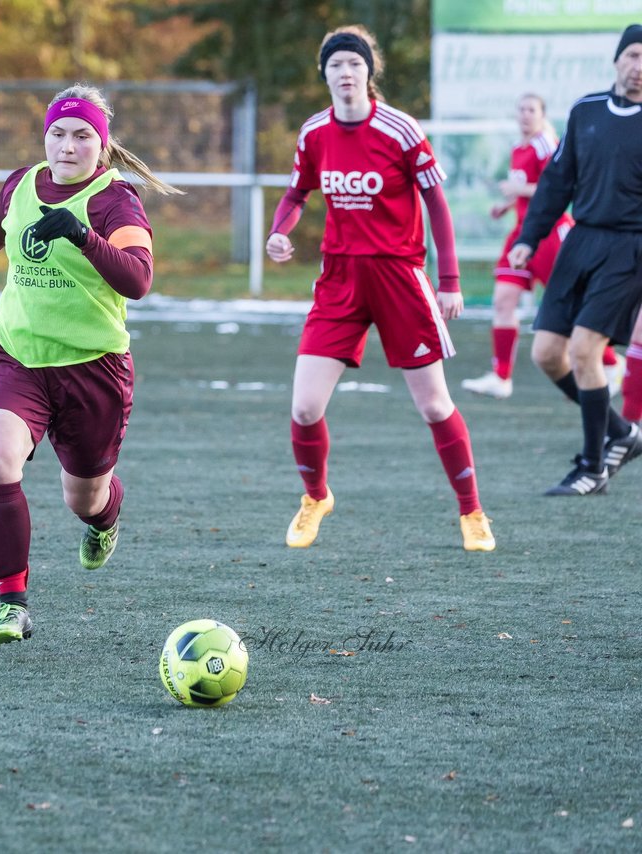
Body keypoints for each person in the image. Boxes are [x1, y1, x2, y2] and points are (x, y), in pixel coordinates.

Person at [0, 84, 180, 647]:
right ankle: (12, 603)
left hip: (93, 370)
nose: (67, 145)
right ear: (44, 136)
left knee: (84, 497)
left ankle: (104, 519)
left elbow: (138, 279)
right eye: (58, 133)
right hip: (18, 356)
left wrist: (81, 235)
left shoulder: (114, 201)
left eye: (82, 136)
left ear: (101, 147)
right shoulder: (23, 183)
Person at [265, 25, 495, 552]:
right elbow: (297, 193)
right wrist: (280, 231)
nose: (346, 74)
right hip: (339, 280)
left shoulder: (400, 129)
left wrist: (450, 280)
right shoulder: (314, 133)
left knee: (435, 405)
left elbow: (437, 204)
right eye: (336, 66)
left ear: (369, 73)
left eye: (355, 65)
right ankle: (315, 497)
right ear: (323, 74)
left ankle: (472, 511)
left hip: (400, 279)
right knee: (304, 408)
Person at [507, 24, 642, 495]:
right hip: (580, 242)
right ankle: (622, 433)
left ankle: (592, 468)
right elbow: (556, 182)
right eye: (633, 56)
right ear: (617, 60)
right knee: (546, 354)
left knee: (585, 350)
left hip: (630, 248)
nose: (639, 68)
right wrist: (529, 236)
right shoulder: (585, 111)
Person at [461, 93, 620, 400]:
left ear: (542, 114)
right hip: (522, 234)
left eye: (531, 109)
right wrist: (508, 204)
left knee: (570, 304)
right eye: (520, 109)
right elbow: (529, 189)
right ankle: (501, 376)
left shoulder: (545, 144)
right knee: (503, 300)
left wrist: (520, 190)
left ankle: (611, 363)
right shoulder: (517, 148)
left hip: (549, 235)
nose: (525, 115)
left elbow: (561, 186)